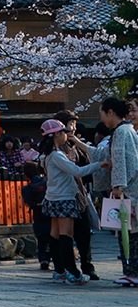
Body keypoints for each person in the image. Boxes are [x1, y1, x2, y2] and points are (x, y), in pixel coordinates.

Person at [38, 118, 106, 285]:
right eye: (62, 132)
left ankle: (59, 270)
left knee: (55, 235)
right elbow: (77, 171)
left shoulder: (47, 156)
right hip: (64, 199)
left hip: (52, 198)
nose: (65, 135)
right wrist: (100, 164)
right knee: (65, 236)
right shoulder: (57, 155)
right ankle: (72, 272)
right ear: (55, 135)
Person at [54, 109, 99, 279]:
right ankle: (64, 267)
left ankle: (87, 265)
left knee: (84, 232)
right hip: (66, 195)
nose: (72, 128)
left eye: (73, 124)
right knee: (64, 233)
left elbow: (86, 168)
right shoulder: (57, 150)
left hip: (80, 194)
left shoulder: (76, 145)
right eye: (69, 124)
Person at [100, 96, 138, 284]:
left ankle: (132, 272)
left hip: (130, 191)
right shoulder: (128, 130)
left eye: (103, 114)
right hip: (132, 188)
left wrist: (118, 186)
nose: (102, 119)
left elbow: (124, 161)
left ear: (110, 113)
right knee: (130, 232)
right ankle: (131, 272)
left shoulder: (122, 132)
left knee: (129, 233)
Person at [20, 161, 51, 271]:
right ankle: (53, 257)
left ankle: (43, 259)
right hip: (50, 211)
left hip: (37, 212)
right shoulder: (47, 182)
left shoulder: (26, 188)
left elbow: (28, 202)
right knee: (52, 236)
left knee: (41, 237)